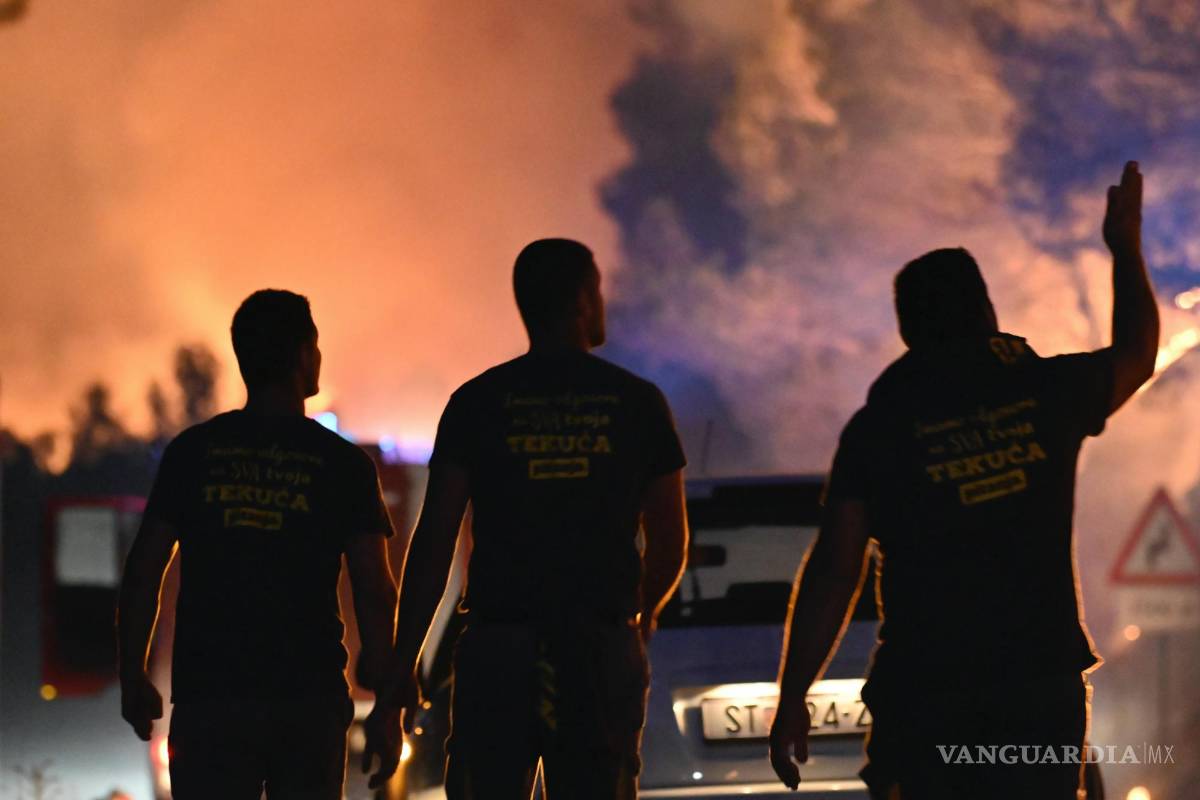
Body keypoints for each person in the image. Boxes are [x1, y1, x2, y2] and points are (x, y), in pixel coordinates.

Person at [769, 162, 1158, 799]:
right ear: (985, 310)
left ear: (907, 331)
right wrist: (1125, 249)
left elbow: (837, 570)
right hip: (1037, 688)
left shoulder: (879, 426)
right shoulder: (1043, 392)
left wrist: (793, 697)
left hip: (927, 695)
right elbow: (1137, 355)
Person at [361, 238, 690, 799]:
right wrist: (639, 620)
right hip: (598, 648)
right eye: (598, 290)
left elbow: (435, 541)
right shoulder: (637, 403)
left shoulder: (477, 402)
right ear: (582, 300)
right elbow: (669, 539)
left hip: (499, 651)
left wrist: (403, 665)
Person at [117, 289, 398, 799]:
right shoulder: (344, 465)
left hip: (211, 701)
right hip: (308, 701)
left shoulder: (193, 453)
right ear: (304, 355)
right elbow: (375, 589)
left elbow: (144, 569)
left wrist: (132, 674)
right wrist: (387, 701)